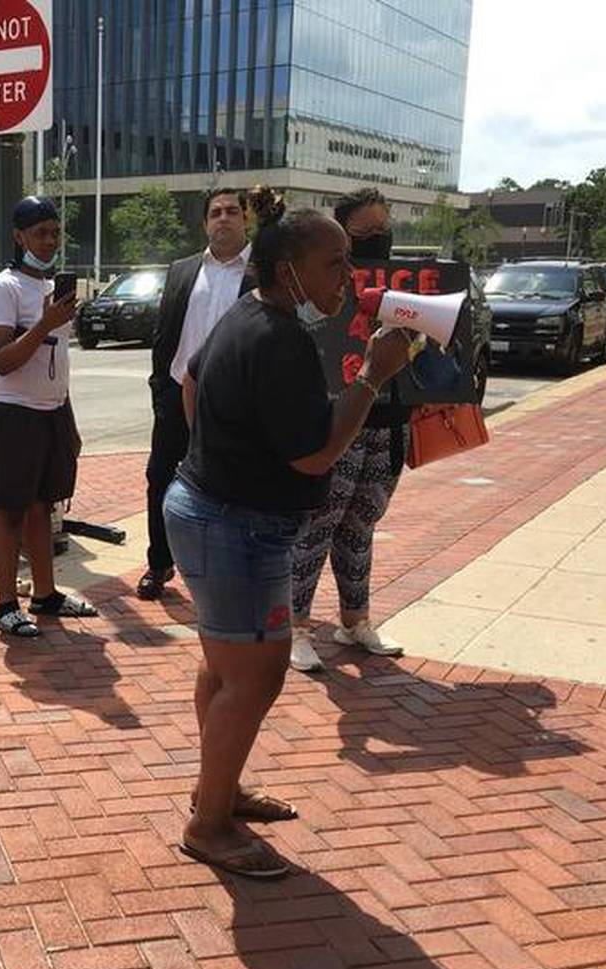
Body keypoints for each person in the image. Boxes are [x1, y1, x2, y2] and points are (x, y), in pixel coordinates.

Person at [163, 187, 413, 878]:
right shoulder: (278, 338)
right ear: (288, 272)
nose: (350, 278)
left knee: (225, 667)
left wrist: (213, 450)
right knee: (257, 673)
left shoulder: (250, 318)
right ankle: (208, 823)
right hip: (233, 525)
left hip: (217, 511)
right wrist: (372, 376)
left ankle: (220, 789)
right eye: (336, 263)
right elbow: (314, 453)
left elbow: (191, 384)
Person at [289, 187, 409, 672]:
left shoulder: (406, 283)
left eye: (384, 232)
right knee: (319, 523)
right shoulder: (322, 284)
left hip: (386, 420)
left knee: (362, 523)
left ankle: (354, 619)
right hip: (340, 418)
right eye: (365, 235)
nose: (377, 241)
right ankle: (295, 627)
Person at [0, 195, 96, 637]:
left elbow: (56, 359)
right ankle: (5, 604)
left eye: (55, 232)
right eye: (40, 232)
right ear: (18, 236)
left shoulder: (50, 290)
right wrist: (44, 325)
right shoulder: (3, 288)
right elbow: (1, 360)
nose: (49, 241)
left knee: (42, 508)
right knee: (9, 509)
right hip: (10, 413)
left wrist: (67, 415)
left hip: (51, 410)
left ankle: (44, 595)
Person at [137, 189, 252, 600]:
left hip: (235, 405)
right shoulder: (183, 270)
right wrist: (158, 388)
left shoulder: (261, 273)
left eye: (232, 212)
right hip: (175, 394)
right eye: (215, 213)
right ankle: (159, 564)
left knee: (230, 486)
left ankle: (227, 572)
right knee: (160, 479)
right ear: (205, 223)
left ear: (246, 219)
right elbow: (163, 333)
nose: (223, 218)